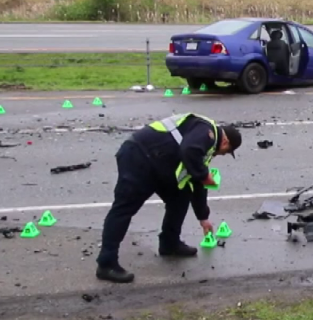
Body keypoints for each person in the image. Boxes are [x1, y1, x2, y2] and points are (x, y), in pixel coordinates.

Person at [95, 113, 242, 283]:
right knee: (124, 209)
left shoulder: (204, 147)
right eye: (226, 152)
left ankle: (169, 243)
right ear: (225, 142)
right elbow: (190, 151)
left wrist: (203, 217)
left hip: (158, 163)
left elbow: (196, 183)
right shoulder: (207, 132)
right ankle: (106, 264)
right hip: (138, 156)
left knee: (180, 196)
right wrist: (203, 175)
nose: (223, 155)